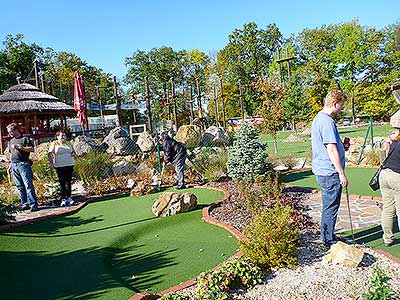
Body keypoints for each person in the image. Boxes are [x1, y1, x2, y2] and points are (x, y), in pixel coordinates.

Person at [311, 90, 348, 247]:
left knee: (329, 204)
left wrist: (343, 147)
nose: (341, 108)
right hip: (330, 171)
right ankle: (328, 239)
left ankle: (328, 235)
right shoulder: (327, 121)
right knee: (331, 206)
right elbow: (331, 149)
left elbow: (332, 146)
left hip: (322, 169)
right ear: (334, 103)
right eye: (341, 105)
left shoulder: (319, 119)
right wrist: (341, 173)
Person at [6, 123, 39, 212]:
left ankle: (33, 204)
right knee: (19, 186)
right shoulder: (11, 141)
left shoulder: (25, 139)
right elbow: (11, 154)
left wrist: (21, 147)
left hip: (23, 164)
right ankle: (25, 203)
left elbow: (32, 149)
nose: (10, 133)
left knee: (28, 184)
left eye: (11, 131)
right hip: (14, 165)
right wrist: (10, 166)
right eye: (9, 132)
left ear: (16, 130)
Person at [379, 128, 400, 247]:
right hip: (397, 177)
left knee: (388, 208)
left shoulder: (394, 145)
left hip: (384, 175)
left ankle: (387, 238)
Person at [47, 130, 76, 206]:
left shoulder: (69, 143)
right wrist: (51, 163)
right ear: (57, 137)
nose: (63, 136)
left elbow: (74, 152)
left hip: (69, 164)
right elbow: (49, 153)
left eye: (64, 135)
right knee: (62, 182)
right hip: (59, 165)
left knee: (68, 182)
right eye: (61, 135)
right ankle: (63, 198)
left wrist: (73, 153)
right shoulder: (54, 143)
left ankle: (69, 197)